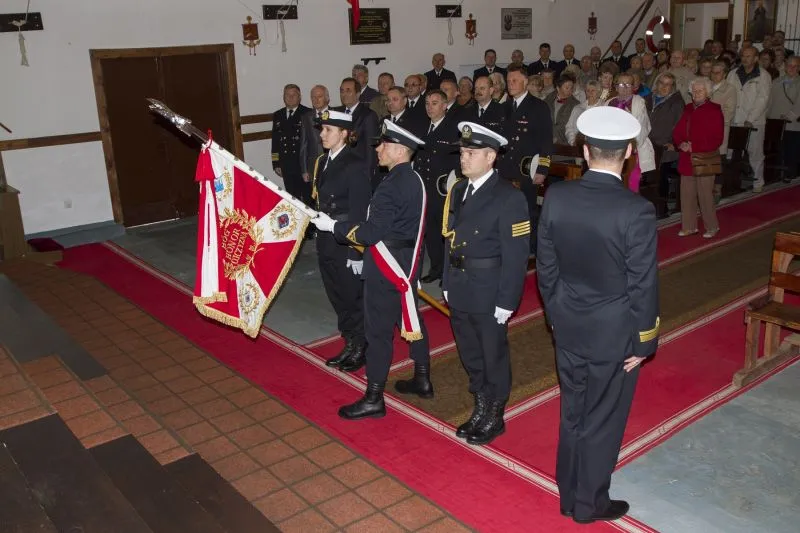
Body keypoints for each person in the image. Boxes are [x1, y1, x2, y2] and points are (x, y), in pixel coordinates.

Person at [537, 106, 660, 525]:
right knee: (602, 419)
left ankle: (569, 495)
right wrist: (644, 341)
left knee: (572, 412)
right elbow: (643, 283)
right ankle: (589, 504)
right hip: (613, 335)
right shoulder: (636, 210)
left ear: (586, 151)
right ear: (628, 154)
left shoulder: (558, 196)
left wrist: (556, 314)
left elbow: (546, 267)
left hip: (568, 325)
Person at [310, 120, 432, 419]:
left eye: (384, 145)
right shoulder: (414, 179)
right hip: (406, 262)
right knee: (410, 317)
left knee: (377, 332)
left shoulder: (391, 186)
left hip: (385, 266)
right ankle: (422, 377)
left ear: (400, 151)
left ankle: (374, 397)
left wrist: (334, 227)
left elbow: (369, 233)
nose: (377, 149)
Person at [442, 122, 530, 445]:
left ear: (491, 157)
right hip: (461, 284)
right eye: (462, 152)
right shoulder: (458, 190)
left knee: (492, 354)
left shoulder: (509, 197)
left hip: (488, 289)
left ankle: (495, 412)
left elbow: (517, 255)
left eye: (471, 153)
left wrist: (507, 300)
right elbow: (450, 239)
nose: (463, 158)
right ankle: (480, 403)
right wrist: (447, 279)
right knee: (470, 352)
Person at [311, 110, 372, 370]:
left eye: (328, 130)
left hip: (346, 241)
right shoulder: (324, 161)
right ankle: (349, 340)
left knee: (352, 297)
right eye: (322, 129)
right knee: (337, 295)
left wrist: (356, 252)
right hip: (327, 238)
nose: (322, 135)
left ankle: (362, 346)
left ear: (344, 133)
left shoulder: (355, 164)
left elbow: (360, 211)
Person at [499, 64, 553, 255]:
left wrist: (542, 170)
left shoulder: (538, 107)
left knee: (526, 212)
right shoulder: (504, 107)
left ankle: (528, 250)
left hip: (526, 169)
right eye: (508, 81)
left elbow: (546, 141)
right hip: (505, 168)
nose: (510, 84)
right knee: (505, 211)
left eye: (514, 80)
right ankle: (508, 247)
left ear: (525, 82)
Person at [415, 89, 460, 284]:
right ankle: (436, 268)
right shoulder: (423, 127)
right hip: (425, 188)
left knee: (446, 233)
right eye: (427, 103)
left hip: (444, 190)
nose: (429, 107)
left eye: (434, 103)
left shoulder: (453, 129)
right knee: (431, 233)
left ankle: (448, 273)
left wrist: (454, 186)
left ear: (444, 105)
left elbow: (460, 161)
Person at [673, 77, 724, 238]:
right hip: (686, 158)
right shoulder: (688, 108)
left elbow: (717, 138)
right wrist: (681, 143)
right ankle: (689, 227)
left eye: (700, 91)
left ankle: (712, 227)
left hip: (704, 158)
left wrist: (695, 146)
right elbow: (677, 131)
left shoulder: (714, 110)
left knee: (705, 195)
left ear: (708, 93)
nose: (696, 94)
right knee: (686, 194)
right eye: (693, 91)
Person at [271, 84, 310, 206]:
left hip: (302, 165)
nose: (290, 97)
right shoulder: (278, 115)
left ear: (300, 97)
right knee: (292, 200)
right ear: (283, 97)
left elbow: (311, 143)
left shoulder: (307, 113)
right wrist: (276, 163)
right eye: (287, 94)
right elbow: (275, 141)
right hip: (286, 165)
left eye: (294, 94)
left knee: (308, 200)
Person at [768, 55, 800, 182]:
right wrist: (767, 117)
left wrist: (789, 116)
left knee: (791, 151)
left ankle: (790, 174)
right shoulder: (776, 81)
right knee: (778, 151)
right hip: (775, 123)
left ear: (799, 68)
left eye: (795, 66)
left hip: (793, 124)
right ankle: (776, 176)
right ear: (785, 67)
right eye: (789, 65)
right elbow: (769, 101)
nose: (791, 68)